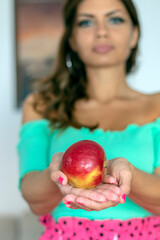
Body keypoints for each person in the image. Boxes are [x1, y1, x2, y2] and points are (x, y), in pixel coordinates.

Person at [17, 0, 160, 239]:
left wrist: (129, 176)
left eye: (115, 19)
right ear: (72, 39)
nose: (101, 31)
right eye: (86, 22)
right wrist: (56, 174)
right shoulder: (41, 105)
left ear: (134, 35)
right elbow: (35, 201)